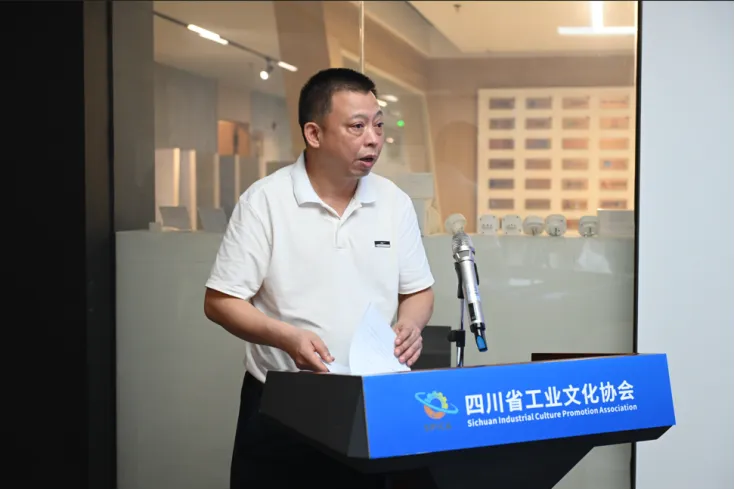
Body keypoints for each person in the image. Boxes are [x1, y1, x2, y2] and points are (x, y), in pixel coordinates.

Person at [203, 67, 435, 489]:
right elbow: (221, 301)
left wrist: (410, 325)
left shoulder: (394, 202)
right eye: (357, 126)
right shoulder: (265, 201)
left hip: (373, 400)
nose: (373, 139)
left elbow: (418, 290)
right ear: (314, 133)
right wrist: (286, 338)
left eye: (378, 125)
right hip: (284, 404)